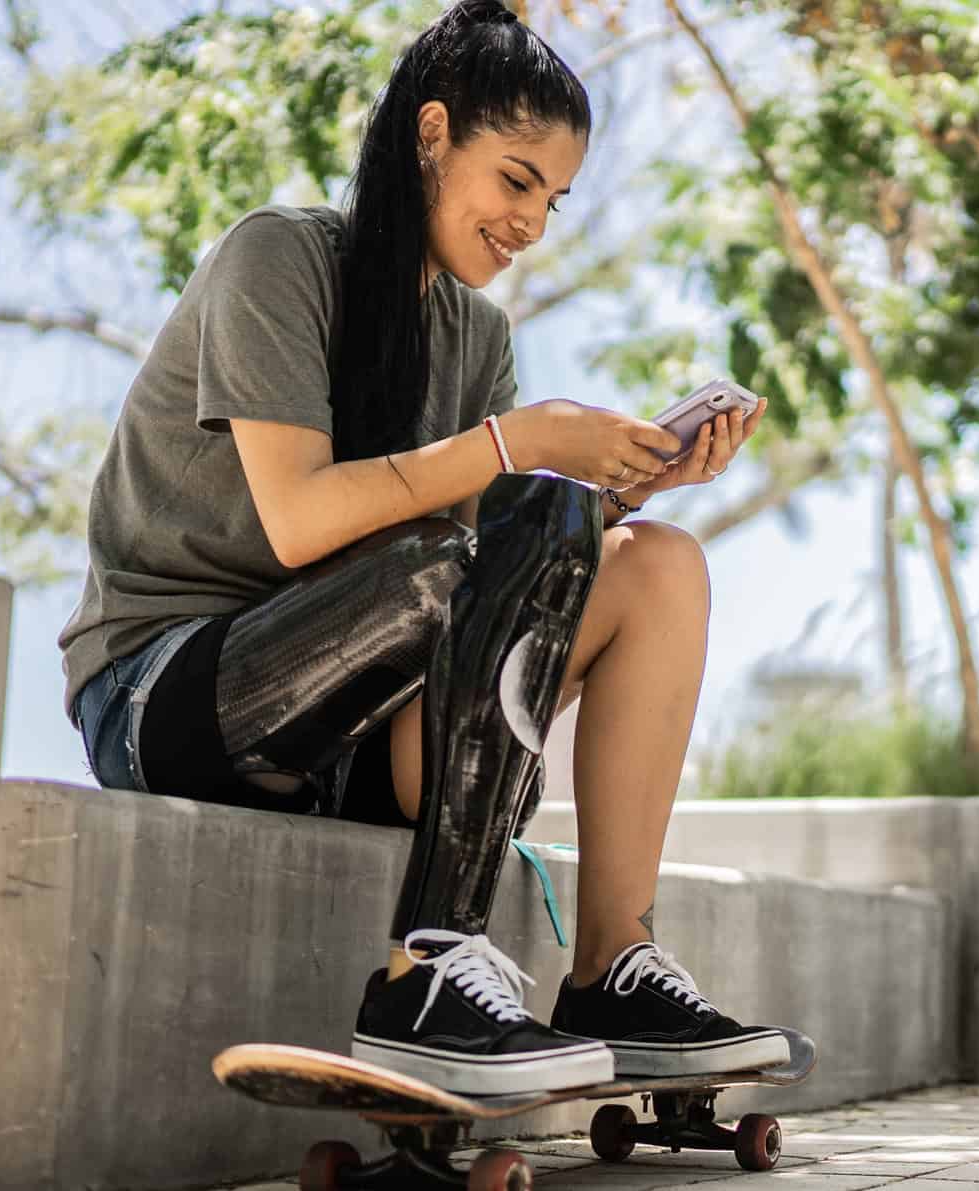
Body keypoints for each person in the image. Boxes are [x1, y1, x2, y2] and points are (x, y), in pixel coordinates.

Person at [56, 0, 789, 1097]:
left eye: (553, 197)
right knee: (449, 564)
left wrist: (619, 488)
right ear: (433, 135)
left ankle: (609, 971)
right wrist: (512, 446)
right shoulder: (282, 259)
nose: (532, 222)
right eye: (516, 179)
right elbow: (303, 521)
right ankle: (427, 971)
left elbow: (499, 586)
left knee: (659, 564)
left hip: (360, 726)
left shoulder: (477, 335)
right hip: (173, 694)